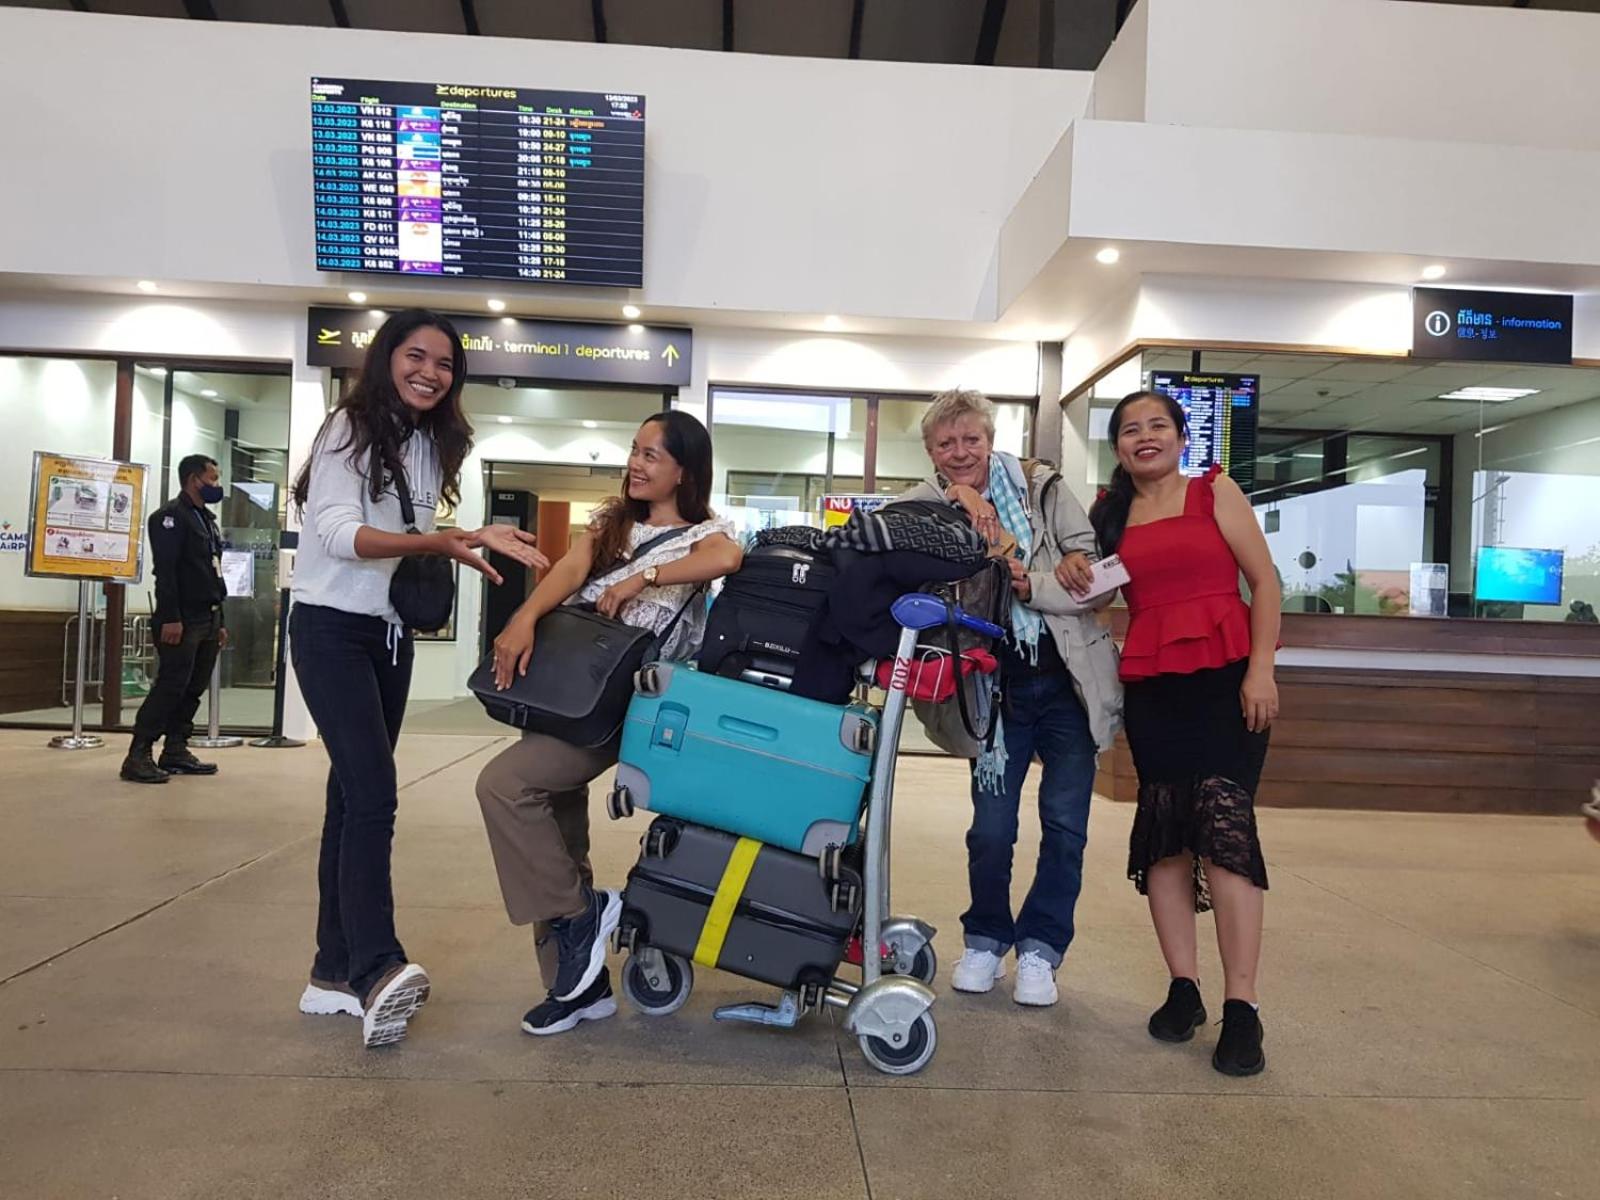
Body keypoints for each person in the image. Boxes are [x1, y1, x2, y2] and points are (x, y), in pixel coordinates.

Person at [289, 308, 548, 1049]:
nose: (430, 373)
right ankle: (377, 968)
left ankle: (331, 971)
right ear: (386, 358)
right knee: (374, 795)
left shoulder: (430, 442)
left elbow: (412, 533)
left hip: (389, 635)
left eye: (444, 364)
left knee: (350, 799)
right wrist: (441, 541)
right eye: (416, 356)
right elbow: (338, 535)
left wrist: (460, 536)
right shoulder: (347, 429)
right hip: (330, 628)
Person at [475, 411, 742, 1037]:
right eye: (634, 450)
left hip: (620, 703)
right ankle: (575, 987)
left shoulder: (705, 534)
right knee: (558, 832)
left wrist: (643, 577)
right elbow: (568, 574)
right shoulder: (611, 524)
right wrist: (522, 620)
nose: (636, 464)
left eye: (651, 455)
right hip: (563, 689)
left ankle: (583, 914)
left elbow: (727, 558)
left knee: (505, 786)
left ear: (684, 471)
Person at [901, 389, 1122, 1007]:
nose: (960, 451)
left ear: (991, 440)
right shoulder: (922, 506)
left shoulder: (1042, 489)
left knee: (1065, 827)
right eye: (946, 443)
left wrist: (1035, 582)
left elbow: (1099, 580)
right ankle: (985, 938)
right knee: (991, 828)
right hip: (991, 685)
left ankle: (1041, 950)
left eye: (971, 439)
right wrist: (960, 502)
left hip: (1067, 683)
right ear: (930, 452)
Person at [1089, 390, 1281, 1077]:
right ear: (1118, 447)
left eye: (1157, 426)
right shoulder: (1111, 515)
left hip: (1227, 682)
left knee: (1225, 838)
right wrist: (1062, 572)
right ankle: (1183, 988)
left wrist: (1261, 670)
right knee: (1165, 837)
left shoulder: (1214, 492)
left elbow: (1265, 582)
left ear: (1179, 436)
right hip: (1153, 688)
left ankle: (1242, 1007)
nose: (1144, 437)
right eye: (1130, 429)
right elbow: (1095, 596)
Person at [121, 454, 230, 785]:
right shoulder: (169, 518)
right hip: (182, 618)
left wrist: (221, 620)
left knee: (193, 688)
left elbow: (213, 572)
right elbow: (165, 572)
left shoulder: (206, 519)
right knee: (171, 686)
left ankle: (176, 749)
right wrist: (171, 617)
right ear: (194, 479)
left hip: (208, 617)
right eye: (212, 478)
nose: (217, 485)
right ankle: (138, 754)